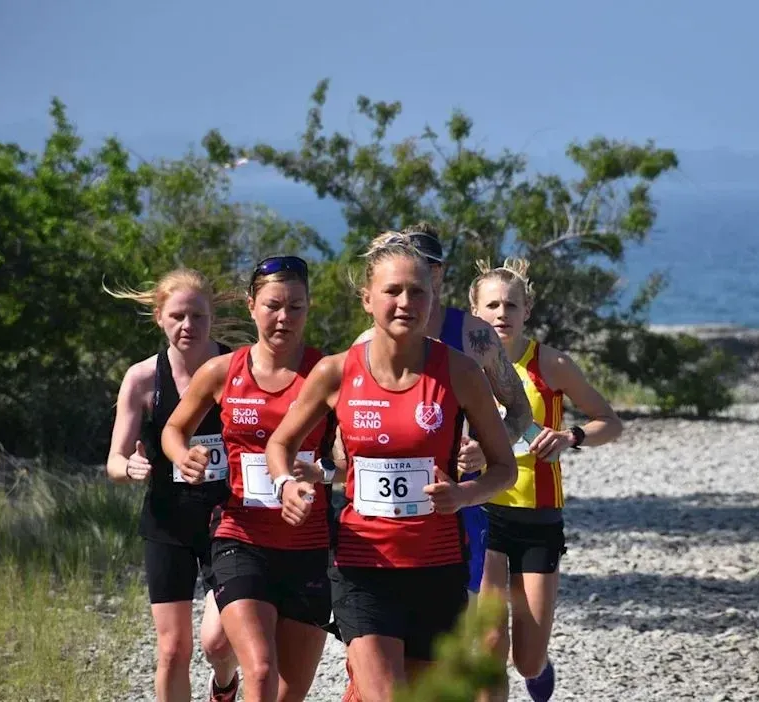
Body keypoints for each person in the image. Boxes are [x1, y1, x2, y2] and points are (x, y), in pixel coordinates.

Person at [267, 232, 518, 702]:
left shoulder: (461, 372)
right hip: (363, 566)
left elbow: (505, 468)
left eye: (417, 291)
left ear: (434, 297)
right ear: (367, 299)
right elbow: (281, 442)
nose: (406, 302)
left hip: (438, 566)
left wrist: (464, 494)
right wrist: (286, 484)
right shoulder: (338, 371)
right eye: (392, 291)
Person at [162, 255, 333, 702]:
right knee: (259, 670)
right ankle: (228, 682)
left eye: (296, 306)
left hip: (308, 545)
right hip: (241, 536)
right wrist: (183, 457)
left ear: (309, 307)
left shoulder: (329, 374)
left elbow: (353, 459)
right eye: (273, 304)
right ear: (251, 305)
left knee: (286, 694)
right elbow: (173, 429)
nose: (284, 317)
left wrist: (324, 472)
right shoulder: (223, 371)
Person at [465, 258, 623, 702]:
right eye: (492, 305)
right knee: (490, 645)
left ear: (527, 309)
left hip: (539, 517)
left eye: (511, 305)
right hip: (484, 510)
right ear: (475, 311)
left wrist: (571, 437)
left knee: (527, 659)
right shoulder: (460, 367)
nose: (501, 314)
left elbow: (609, 421)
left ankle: (538, 668)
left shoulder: (551, 364)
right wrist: (466, 456)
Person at [353, 222, 534, 598]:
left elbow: (520, 409)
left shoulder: (474, 335)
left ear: (439, 273)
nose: (420, 278)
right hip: (380, 513)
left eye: (429, 268)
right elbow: (341, 437)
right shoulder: (366, 344)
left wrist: (489, 446)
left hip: (457, 503)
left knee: (448, 628)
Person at [103, 268, 241, 702]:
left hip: (231, 520)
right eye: (178, 316)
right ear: (159, 317)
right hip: (168, 521)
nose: (188, 326)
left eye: (198, 316)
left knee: (219, 643)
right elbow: (114, 460)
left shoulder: (240, 368)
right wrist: (132, 468)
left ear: (211, 317)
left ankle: (224, 683)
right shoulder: (143, 379)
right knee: (172, 648)